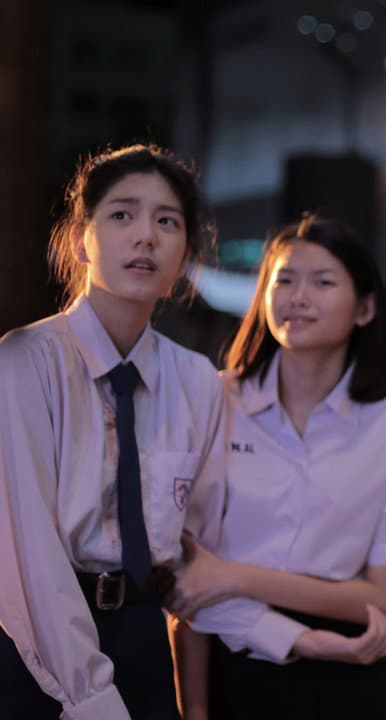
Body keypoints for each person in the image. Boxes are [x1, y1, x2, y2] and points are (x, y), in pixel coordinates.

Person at [167, 214, 386, 720]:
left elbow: (384, 596)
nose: (298, 297)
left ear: (365, 308)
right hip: (229, 653)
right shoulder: (213, 399)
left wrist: (232, 576)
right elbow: (188, 579)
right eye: (284, 281)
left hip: (348, 666)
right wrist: (195, 709)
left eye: (322, 282)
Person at [0, 144, 225, 720]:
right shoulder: (26, 362)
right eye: (122, 214)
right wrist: (93, 699)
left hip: (144, 640)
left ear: (185, 253)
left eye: (167, 222)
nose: (145, 236)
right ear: (81, 239)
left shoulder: (196, 379)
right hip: (35, 648)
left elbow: (199, 547)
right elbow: (28, 557)